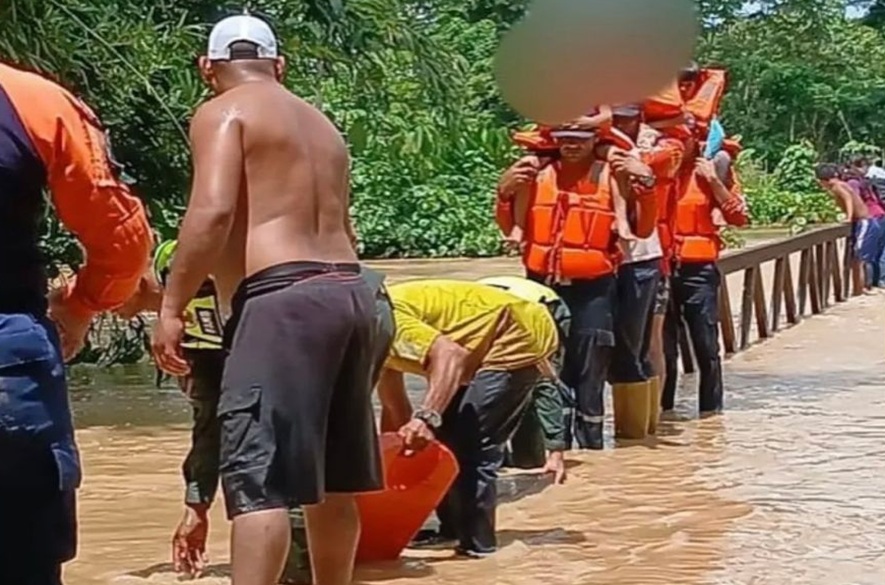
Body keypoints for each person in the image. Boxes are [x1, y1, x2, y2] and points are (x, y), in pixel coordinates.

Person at [150, 14, 382, 585]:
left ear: (207, 68)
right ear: (280, 65)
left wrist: (172, 306)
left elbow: (212, 212)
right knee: (333, 480)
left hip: (284, 299)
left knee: (259, 484)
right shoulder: (322, 125)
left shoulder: (222, 112)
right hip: (354, 293)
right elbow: (347, 230)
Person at [0, 62, 152, 584]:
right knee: (23, 557)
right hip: (7, 351)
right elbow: (123, 239)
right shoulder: (32, 101)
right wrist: (84, 303)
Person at [496, 114, 657, 449]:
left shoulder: (612, 173)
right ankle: (550, 447)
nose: (571, 146)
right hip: (542, 285)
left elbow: (642, 229)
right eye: (564, 138)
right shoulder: (535, 174)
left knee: (590, 368)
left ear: (594, 141)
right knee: (544, 366)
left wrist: (646, 186)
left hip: (593, 287)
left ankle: (592, 450)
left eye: (579, 139)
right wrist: (503, 190)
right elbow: (507, 221)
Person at [375, 279, 559, 558]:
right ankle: (452, 530)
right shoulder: (374, 337)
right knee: (441, 443)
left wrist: (426, 417)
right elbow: (394, 407)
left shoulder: (391, 319)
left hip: (518, 332)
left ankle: (478, 549)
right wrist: (392, 459)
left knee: (472, 446)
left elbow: (450, 354)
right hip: (476, 342)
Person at [599, 102, 686, 439]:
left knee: (641, 347)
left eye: (627, 118)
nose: (621, 123)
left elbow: (654, 165)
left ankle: (641, 431)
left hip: (646, 259)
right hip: (603, 263)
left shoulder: (667, 146)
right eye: (616, 118)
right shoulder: (595, 148)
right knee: (596, 349)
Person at [661, 136, 748, 417]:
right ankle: (664, 412)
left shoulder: (713, 170)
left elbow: (738, 217)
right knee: (664, 349)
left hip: (698, 269)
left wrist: (713, 181)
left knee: (705, 343)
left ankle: (711, 416)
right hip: (661, 267)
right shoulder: (658, 170)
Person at [816, 163, 881, 293]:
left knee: (859, 256)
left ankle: (863, 287)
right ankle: (859, 287)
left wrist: (848, 218)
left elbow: (848, 199)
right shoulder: (841, 184)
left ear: (822, 180)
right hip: (863, 222)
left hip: (864, 222)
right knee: (856, 256)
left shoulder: (837, 186)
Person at [845, 157, 885, 287]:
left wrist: (848, 216)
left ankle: (867, 282)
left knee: (865, 252)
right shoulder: (866, 181)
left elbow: (854, 200)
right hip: (879, 214)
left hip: (871, 217)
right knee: (879, 250)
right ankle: (878, 280)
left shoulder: (854, 182)